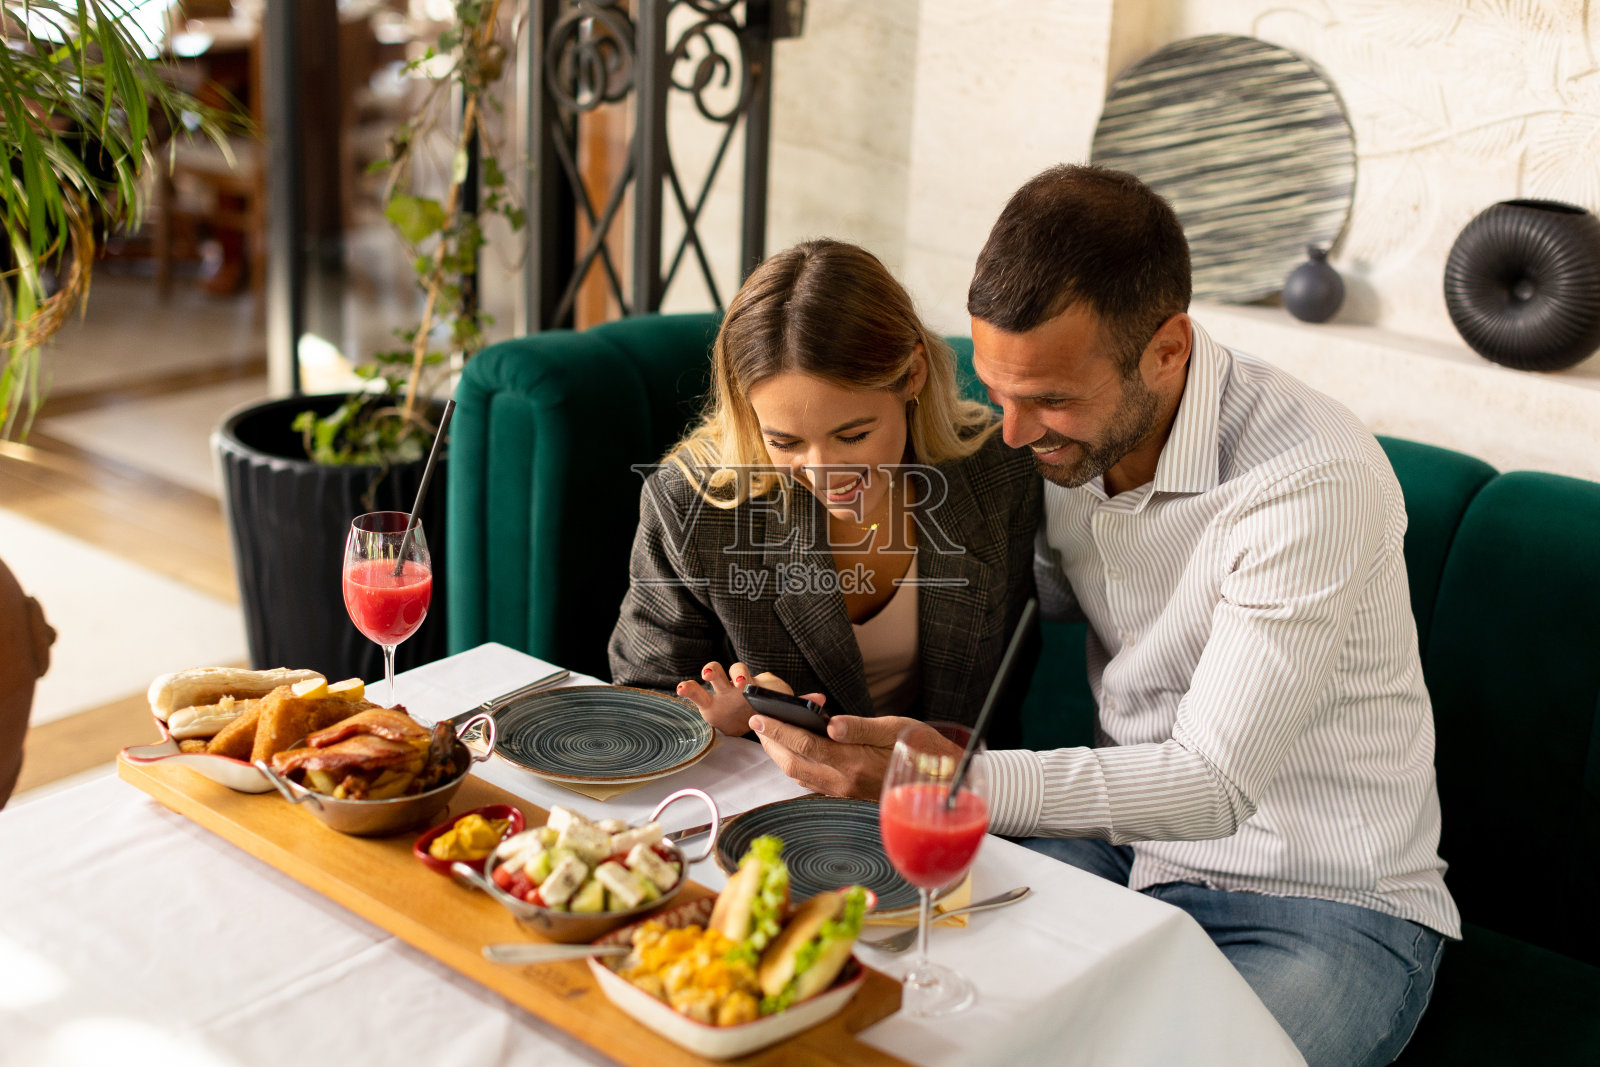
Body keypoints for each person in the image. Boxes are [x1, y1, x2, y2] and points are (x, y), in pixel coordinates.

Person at [747, 167, 1458, 1067]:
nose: (1011, 433)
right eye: (998, 391)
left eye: (1047, 399)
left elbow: (1212, 783)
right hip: (1121, 857)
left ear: (1167, 350)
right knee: (890, 1008)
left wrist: (949, 781)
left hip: (1321, 901)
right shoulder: (1063, 446)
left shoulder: (1309, 480)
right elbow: (1003, 589)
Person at [608, 239, 1040, 767]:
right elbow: (642, 702)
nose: (825, 472)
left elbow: (1005, 690)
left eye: (854, 435)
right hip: (767, 818)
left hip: (943, 810)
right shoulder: (690, 505)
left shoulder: (999, 469)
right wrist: (720, 723)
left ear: (914, 375)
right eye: (785, 442)